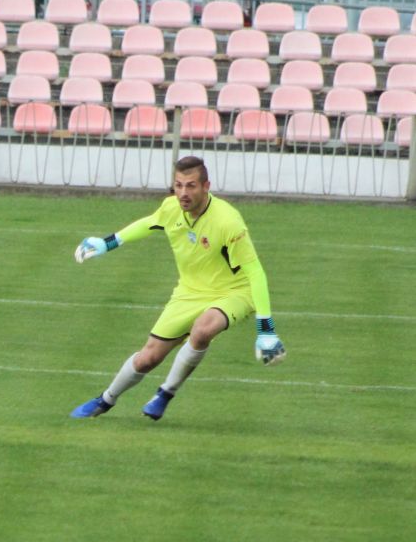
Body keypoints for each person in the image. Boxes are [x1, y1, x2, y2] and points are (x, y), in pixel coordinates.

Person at [69, 156, 287, 422]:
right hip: (188, 292)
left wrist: (266, 328)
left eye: (191, 185)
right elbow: (148, 223)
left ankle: (164, 394)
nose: (183, 193)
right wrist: (108, 243)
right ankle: (105, 400)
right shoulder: (171, 207)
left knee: (203, 330)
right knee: (148, 358)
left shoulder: (228, 221)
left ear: (206, 186)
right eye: (179, 185)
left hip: (234, 292)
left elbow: (255, 272)